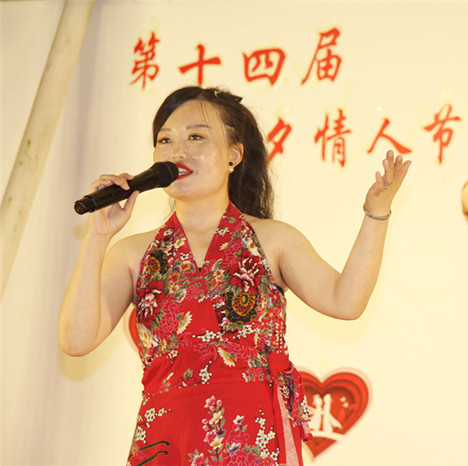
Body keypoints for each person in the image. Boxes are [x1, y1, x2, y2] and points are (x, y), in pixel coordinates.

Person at [59, 86, 410, 465]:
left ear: (234, 154)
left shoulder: (272, 239)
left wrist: (377, 213)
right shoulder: (132, 253)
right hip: (166, 443)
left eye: (196, 136)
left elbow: (346, 301)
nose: (177, 151)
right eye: (165, 140)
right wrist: (98, 237)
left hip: (253, 442)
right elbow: (76, 340)